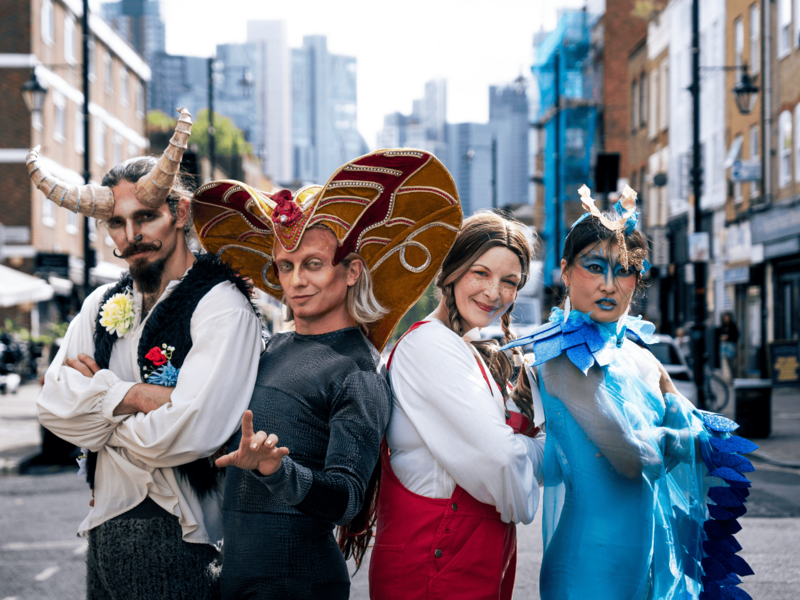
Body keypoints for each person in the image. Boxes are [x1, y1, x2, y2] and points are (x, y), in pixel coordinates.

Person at [192, 148, 463, 599]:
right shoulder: (267, 348)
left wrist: (277, 470)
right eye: (286, 266)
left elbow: (346, 499)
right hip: (236, 582)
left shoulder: (356, 372)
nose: (296, 280)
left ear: (352, 270)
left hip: (301, 586)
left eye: (313, 264)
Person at [34, 109, 264, 599]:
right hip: (102, 529)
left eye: (145, 217)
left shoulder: (222, 305)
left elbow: (187, 433)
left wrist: (99, 411)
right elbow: (53, 405)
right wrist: (137, 396)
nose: (129, 235)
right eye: (116, 223)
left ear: (179, 214)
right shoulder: (100, 303)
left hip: (179, 534)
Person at [502, 185, 755, 599]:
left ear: (637, 280)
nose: (609, 283)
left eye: (623, 270)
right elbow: (631, 459)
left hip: (647, 564)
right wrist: (690, 437)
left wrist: (689, 433)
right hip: (586, 570)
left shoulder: (639, 357)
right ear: (565, 271)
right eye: (594, 266)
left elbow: (687, 426)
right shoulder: (565, 360)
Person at [368, 211, 546, 600]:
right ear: (449, 270)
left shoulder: (469, 351)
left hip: (463, 561)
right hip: (433, 567)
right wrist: (543, 447)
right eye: (480, 273)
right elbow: (501, 462)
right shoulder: (429, 346)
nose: (494, 292)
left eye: (509, 281)